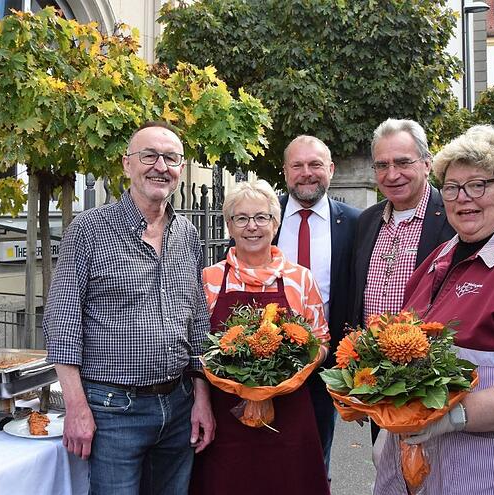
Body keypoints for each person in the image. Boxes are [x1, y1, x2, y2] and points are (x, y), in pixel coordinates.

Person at [374, 125, 494, 494]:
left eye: (478, 184)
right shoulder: (442, 256)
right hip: (435, 467)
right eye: (451, 187)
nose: (462, 198)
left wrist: (454, 416)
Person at [42, 122, 215, 495]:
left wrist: (202, 399)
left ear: (181, 169)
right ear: (126, 165)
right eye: (149, 155)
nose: (160, 166)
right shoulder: (89, 230)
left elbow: (198, 322)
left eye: (171, 158)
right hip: (113, 410)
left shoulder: (186, 233)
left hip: (179, 405)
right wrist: (76, 407)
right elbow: (61, 323)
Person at [191, 180, 331, 495]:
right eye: (241, 218)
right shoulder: (210, 279)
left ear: (275, 223)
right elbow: (197, 346)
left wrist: (294, 366)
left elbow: (321, 339)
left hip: (289, 413)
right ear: (228, 225)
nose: (251, 226)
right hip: (224, 416)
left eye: (261, 217)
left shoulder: (299, 278)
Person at [348, 119, 454, 442]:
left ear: (427, 163)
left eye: (403, 162)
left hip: (432, 385)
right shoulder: (367, 221)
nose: (392, 174)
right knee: (387, 473)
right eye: (382, 165)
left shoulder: (453, 217)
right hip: (380, 384)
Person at [275, 135, 360, 468]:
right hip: (268, 360)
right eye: (297, 165)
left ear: (331, 170)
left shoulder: (355, 223)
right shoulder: (266, 216)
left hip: (327, 362)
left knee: (315, 456)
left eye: (315, 165)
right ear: (285, 171)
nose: (306, 173)